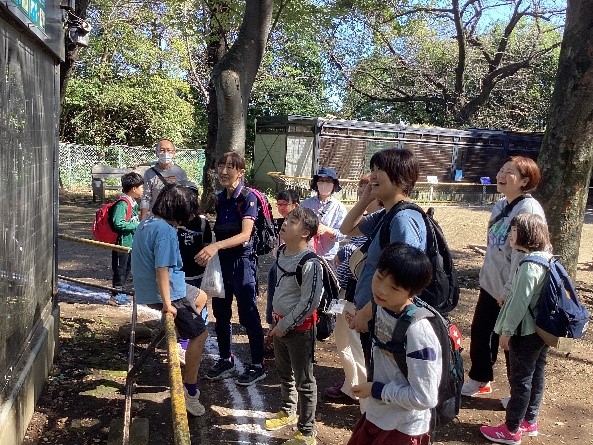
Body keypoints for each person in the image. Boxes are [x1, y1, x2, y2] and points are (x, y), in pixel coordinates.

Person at [462, 156, 545, 399]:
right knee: (480, 332)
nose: (501, 174)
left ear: (524, 181)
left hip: (512, 289)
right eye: (501, 169)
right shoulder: (500, 205)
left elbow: (524, 254)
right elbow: (494, 246)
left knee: (511, 342)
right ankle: (480, 378)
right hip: (490, 284)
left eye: (509, 171)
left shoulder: (528, 209)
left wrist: (509, 290)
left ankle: (517, 394)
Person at [340, 148, 427, 371]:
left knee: (386, 379)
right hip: (376, 313)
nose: (373, 176)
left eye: (381, 170)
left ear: (401, 177)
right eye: (373, 169)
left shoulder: (404, 219)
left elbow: (403, 276)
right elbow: (346, 228)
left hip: (387, 316)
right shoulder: (387, 214)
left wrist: (368, 312)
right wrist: (366, 198)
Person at [347, 243, 439, 445]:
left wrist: (376, 390)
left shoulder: (418, 332)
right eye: (379, 277)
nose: (381, 290)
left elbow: (425, 397)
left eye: (394, 288)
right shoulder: (382, 307)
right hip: (377, 415)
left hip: (403, 428)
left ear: (411, 293)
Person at [130, 184, 208, 417]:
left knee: (202, 296)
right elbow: (161, 269)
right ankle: (190, 392)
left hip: (171, 286)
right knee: (201, 334)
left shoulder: (147, 222)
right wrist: (167, 305)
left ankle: (180, 342)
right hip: (169, 293)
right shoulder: (165, 231)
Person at [195, 152, 266, 386]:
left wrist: (215, 246)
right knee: (221, 313)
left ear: (240, 172)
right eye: (221, 166)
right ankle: (226, 359)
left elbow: (246, 234)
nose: (224, 171)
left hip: (242, 263)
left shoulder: (248, 198)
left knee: (248, 314)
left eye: (230, 167)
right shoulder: (219, 198)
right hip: (222, 263)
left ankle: (257, 365)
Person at [480, 213, 552, 445]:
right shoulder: (546, 258)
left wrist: (506, 331)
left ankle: (511, 430)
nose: (510, 235)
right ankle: (529, 420)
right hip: (540, 330)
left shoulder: (530, 265)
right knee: (536, 374)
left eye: (513, 231)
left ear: (526, 234)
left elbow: (520, 302)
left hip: (525, 331)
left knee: (521, 380)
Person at [265, 206, 323, 445]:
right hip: (280, 326)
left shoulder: (310, 263)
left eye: (292, 221)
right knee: (284, 372)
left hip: (300, 331)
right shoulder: (280, 253)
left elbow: (309, 302)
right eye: (286, 219)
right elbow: (278, 289)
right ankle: (287, 410)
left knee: (304, 380)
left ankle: (307, 432)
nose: (284, 223)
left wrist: (285, 325)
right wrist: (274, 321)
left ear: (305, 233)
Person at [325, 175, 381, 403]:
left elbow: (361, 258)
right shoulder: (369, 220)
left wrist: (345, 253)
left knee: (357, 347)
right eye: (361, 189)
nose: (363, 193)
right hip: (346, 293)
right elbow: (346, 231)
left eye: (369, 189)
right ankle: (352, 385)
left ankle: (363, 393)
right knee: (344, 342)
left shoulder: (383, 221)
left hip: (361, 298)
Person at [176, 180, 213, 365]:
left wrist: (205, 256)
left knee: (199, 308)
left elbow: (208, 247)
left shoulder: (203, 222)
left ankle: (195, 342)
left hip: (198, 276)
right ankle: (181, 344)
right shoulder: (173, 222)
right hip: (179, 276)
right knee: (182, 311)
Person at [265, 189, 300, 353]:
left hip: (294, 269)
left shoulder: (302, 223)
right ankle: (273, 332)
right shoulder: (279, 223)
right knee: (274, 298)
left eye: (285, 204)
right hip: (278, 265)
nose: (281, 208)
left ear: (295, 205)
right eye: (278, 204)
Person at [109, 172, 144, 306]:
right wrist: (137, 224)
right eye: (141, 187)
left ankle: (121, 293)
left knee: (127, 269)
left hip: (130, 244)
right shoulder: (122, 204)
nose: (143, 190)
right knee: (120, 270)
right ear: (133, 188)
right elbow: (118, 223)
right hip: (121, 244)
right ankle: (116, 295)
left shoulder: (132, 203)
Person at [301, 167, 347, 265]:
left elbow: (342, 234)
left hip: (329, 257)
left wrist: (327, 230)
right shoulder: (305, 204)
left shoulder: (339, 208)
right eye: (321, 181)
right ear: (316, 184)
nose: (324, 184)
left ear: (334, 185)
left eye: (328, 181)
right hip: (306, 254)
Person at [140, 138, 188, 220]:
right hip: (156, 217)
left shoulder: (180, 172)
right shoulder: (149, 173)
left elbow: (185, 196)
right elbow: (146, 197)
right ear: (157, 152)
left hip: (175, 218)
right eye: (162, 150)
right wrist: (143, 219)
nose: (165, 153)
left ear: (174, 152)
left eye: (169, 150)